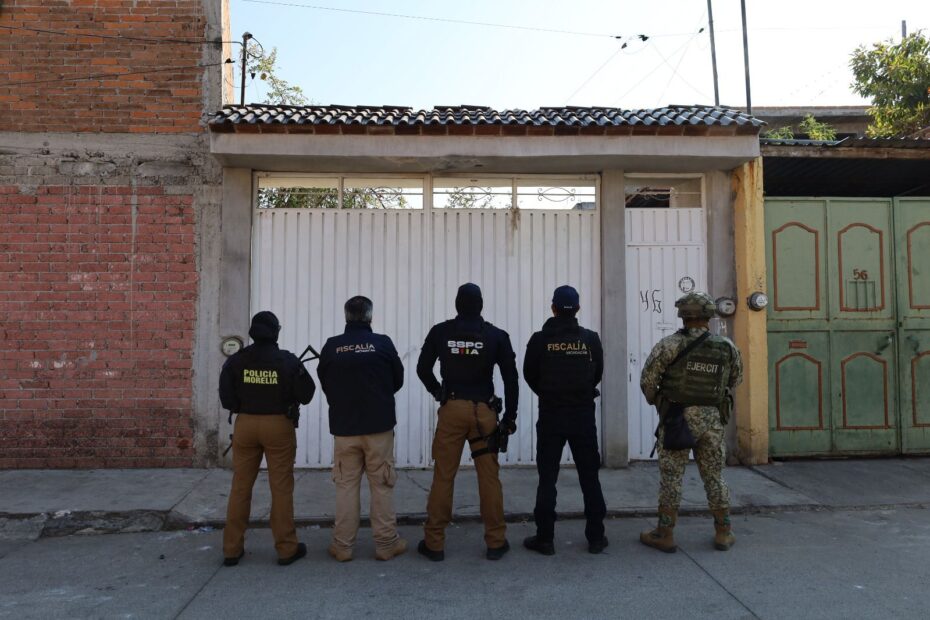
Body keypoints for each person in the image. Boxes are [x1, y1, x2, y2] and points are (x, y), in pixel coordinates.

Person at [415, 283, 519, 561]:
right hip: (484, 413)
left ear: (457, 305)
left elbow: (422, 368)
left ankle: (434, 543)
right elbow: (511, 378)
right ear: (481, 305)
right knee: (489, 477)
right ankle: (496, 542)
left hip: (452, 410)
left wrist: (437, 391)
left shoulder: (441, 332)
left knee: (443, 475)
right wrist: (509, 417)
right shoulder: (496, 336)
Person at [639, 292, 743, 553]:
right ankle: (723, 532)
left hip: (677, 420)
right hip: (712, 422)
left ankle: (665, 533)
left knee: (671, 477)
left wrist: (660, 403)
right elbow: (735, 380)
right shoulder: (727, 346)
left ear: (683, 315)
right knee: (715, 476)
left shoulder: (669, 345)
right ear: (708, 316)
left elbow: (648, 382)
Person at [219, 311, 315, 567]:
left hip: (245, 424)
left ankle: (231, 549)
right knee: (281, 487)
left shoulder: (236, 361)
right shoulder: (287, 361)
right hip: (278, 425)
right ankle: (286, 548)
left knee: (240, 486)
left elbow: (226, 398)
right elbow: (307, 394)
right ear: (276, 332)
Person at [317, 296, 407, 563]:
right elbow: (398, 379)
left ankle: (342, 547)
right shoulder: (382, 343)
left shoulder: (332, 346)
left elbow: (324, 380)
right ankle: (386, 544)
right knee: (382, 484)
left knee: (345, 486)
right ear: (370, 316)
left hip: (345, 428)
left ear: (346, 316)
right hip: (379, 427)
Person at [522, 285, 608, 555]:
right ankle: (596, 537)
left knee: (547, 478)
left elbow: (529, 374)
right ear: (578, 309)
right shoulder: (590, 339)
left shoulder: (539, 340)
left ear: (553, 308)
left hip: (551, 415)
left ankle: (545, 538)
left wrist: (549, 393)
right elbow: (597, 373)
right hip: (582, 415)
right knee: (589, 477)